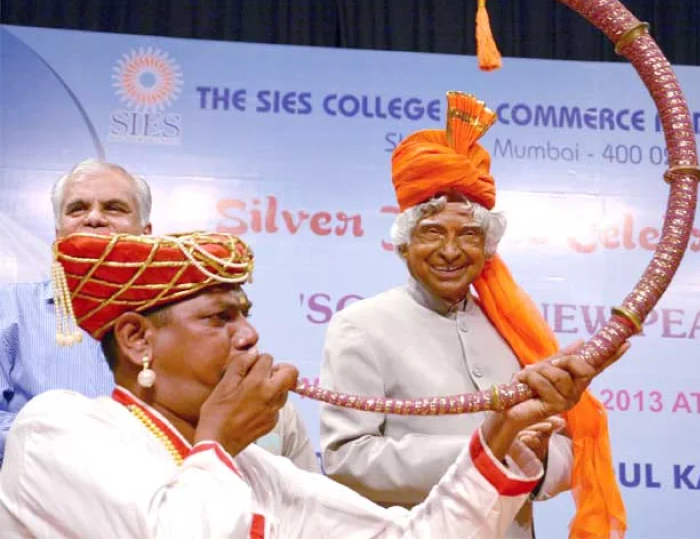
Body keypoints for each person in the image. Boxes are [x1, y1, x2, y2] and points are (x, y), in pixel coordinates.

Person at [0, 231, 622, 538]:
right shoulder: (57, 429)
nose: (248, 336)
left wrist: (502, 431)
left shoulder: (260, 471)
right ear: (138, 340)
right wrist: (218, 443)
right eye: (219, 318)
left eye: (245, 315)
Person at [320, 92, 626, 538]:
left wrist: (539, 458)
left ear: (487, 249)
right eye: (432, 233)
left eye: (468, 235)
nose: (450, 251)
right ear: (404, 245)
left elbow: (566, 445)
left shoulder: (511, 324)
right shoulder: (362, 326)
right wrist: (492, 447)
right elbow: (346, 459)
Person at [0, 159, 318, 472]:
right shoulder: (10, 308)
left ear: (147, 232)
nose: (94, 218)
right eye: (77, 209)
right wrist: (90, 443)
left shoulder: (183, 315)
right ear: (58, 233)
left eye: (114, 208)